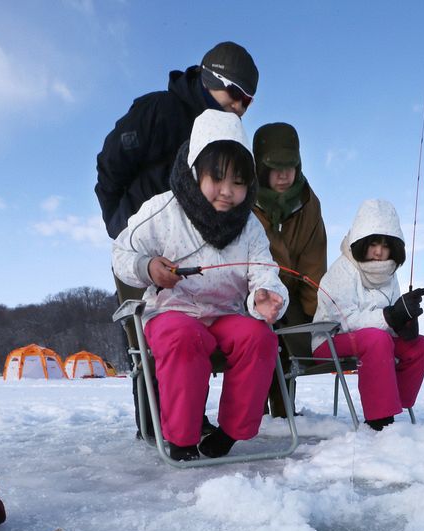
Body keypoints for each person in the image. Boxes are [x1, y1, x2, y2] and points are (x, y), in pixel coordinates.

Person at [95, 41, 259, 435]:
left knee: (196, 332)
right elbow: (110, 165)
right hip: (144, 241)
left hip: (195, 246)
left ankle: (189, 420)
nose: (239, 106)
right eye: (235, 94)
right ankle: (154, 425)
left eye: (248, 101)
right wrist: (122, 225)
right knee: (148, 341)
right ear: (211, 79)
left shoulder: (224, 135)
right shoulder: (160, 111)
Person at [111, 109, 287, 462]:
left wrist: (265, 295)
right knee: (184, 338)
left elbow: (264, 271)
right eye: (217, 179)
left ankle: (229, 433)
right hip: (172, 312)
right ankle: (182, 439)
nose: (227, 191)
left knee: (260, 339)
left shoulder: (249, 225)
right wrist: (147, 267)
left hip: (226, 313)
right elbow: (121, 251)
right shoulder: (163, 209)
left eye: (238, 182)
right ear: (195, 172)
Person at [313, 199, 424, 429]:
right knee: (377, 340)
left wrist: (405, 321)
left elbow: (392, 319)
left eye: (386, 245)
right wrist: (389, 316)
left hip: (377, 340)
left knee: (421, 346)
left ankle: (396, 403)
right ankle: (380, 419)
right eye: (374, 243)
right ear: (362, 242)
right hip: (329, 339)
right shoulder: (342, 269)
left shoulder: (390, 274)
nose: (379, 251)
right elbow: (346, 320)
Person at [252, 122, 327, 417]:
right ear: (260, 168)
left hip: (292, 296)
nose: (283, 175)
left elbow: (313, 263)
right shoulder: (243, 201)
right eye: (274, 167)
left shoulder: (309, 204)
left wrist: (318, 315)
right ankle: (250, 413)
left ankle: (284, 412)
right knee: (260, 337)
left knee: (293, 335)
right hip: (252, 296)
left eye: (290, 166)